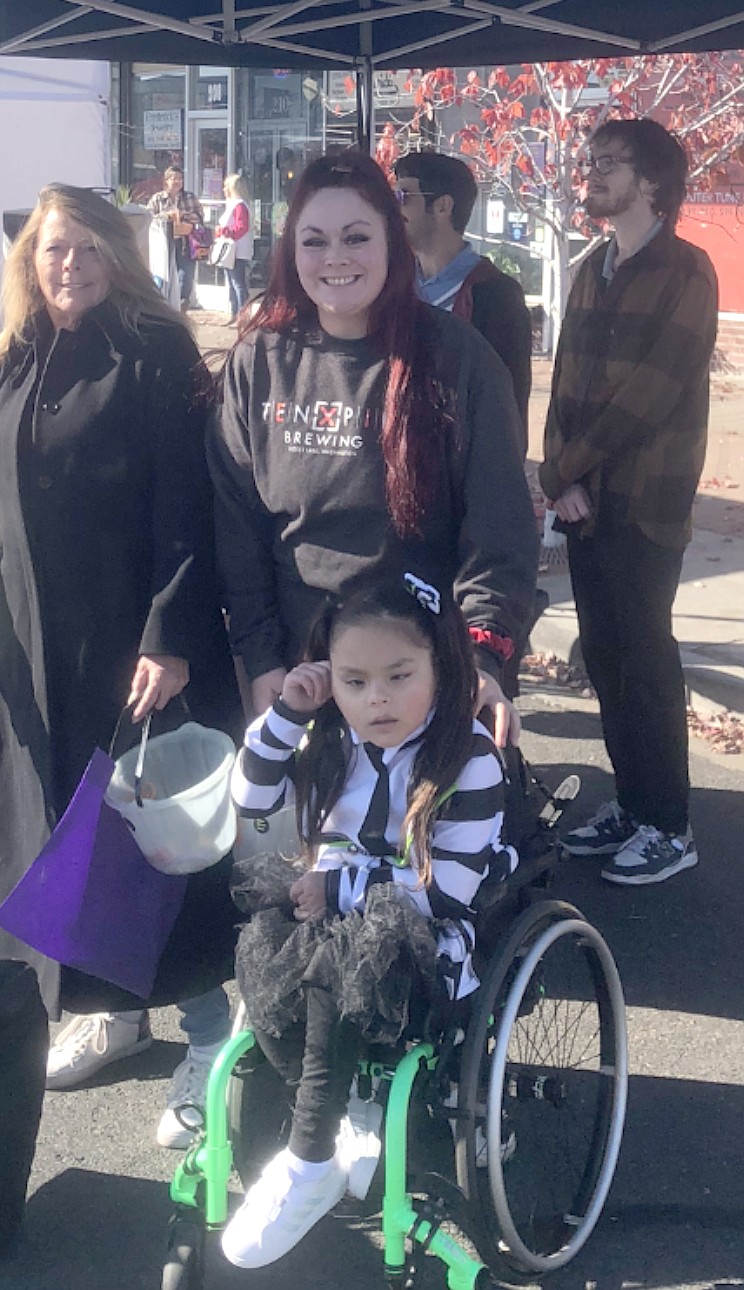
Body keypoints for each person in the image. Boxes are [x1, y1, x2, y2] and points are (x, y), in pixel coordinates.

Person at [0, 183, 240, 1149]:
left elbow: (191, 506)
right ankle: (117, 1011)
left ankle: (210, 1035)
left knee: (149, 849)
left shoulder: (156, 352)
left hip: (132, 643)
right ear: (30, 258)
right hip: (36, 642)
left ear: (119, 256)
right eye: (54, 249)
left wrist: (171, 634)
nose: (70, 265)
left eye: (89, 248)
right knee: (63, 835)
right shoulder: (18, 351)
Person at [222, 577, 516, 1268]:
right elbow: (251, 795)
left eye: (398, 676)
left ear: (443, 669)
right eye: (353, 681)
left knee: (339, 956)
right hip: (329, 911)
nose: (375, 698)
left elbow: (443, 894)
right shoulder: (331, 742)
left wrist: (339, 883)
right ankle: (339, 1116)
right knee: (264, 946)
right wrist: (291, 713)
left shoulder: (467, 761)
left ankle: (309, 1158)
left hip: (423, 939)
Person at [208, 150, 539, 750]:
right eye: (315, 241)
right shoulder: (260, 362)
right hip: (300, 674)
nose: (335, 257)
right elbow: (238, 531)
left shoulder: (456, 359)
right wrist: (261, 663)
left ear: (393, 244)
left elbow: (500, 528)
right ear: (292, 253)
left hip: (423, 674)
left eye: (356, 237)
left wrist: (483, 657)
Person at [540, 119, 718, 885]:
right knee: (606, 659)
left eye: (606, 164)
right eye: (591, 161)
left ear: (652, 182)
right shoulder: (591, 267)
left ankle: (669, 825)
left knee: (645, 659)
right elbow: (566, 382)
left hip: (646, 503)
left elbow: (649, 395)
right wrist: (558, 475)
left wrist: (568, 466)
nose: (591, 174)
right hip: (586, 504)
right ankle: (631, 802)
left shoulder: (689, 271)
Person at [393, 151, 532, 448]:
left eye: (405, 196)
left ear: (443, 206)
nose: (395, 208)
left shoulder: (497, 296)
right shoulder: (392, 286)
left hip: (461, 471)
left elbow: (510, 407)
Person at [148, 165, 204, 312]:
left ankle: (181, 310)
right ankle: (166, 309)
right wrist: (166, 216)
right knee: (165, 277)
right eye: (174, 178)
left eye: (180, 179)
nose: (178, 182)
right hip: (164, 244)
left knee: (185, 278)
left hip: (185, 243)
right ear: (166, 181)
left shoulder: (189, 197)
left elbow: (199, 216)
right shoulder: (157, 199)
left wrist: (183, 215)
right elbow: (148, 218)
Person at [216, 172, 254, 324]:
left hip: (237, 250)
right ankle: (234, 313)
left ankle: (242, 316)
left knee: (238, 283)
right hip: (230, 250)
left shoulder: (239, 205)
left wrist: (225, 232)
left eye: (226, 187)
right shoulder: (234, 204)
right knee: (232, 283)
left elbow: (241, 226)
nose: (223, 190)